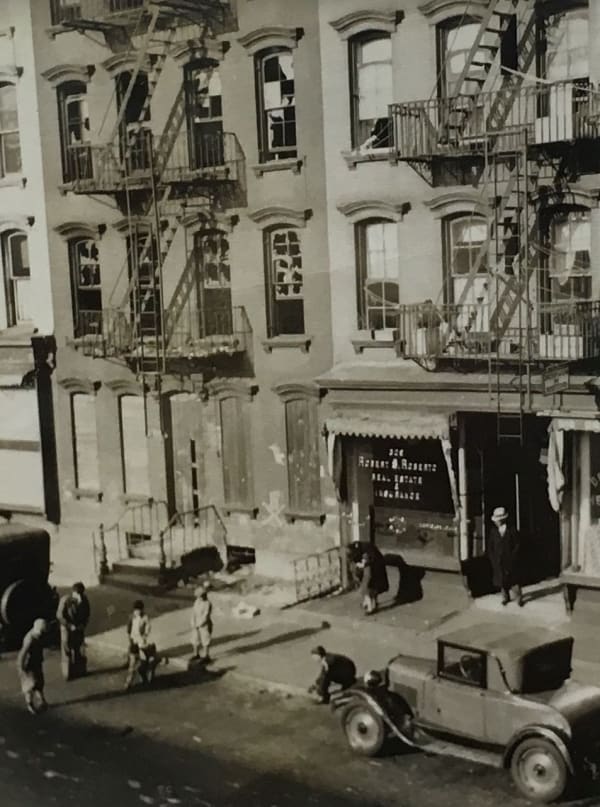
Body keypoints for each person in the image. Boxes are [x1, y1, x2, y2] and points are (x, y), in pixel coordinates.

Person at [488, 506, 524, 607]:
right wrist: (493, 558)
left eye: (498, 520)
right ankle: (505, 597)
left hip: (510, 559)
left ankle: (519, 598)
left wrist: (513, 556)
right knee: (502, 580)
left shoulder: (511, 530)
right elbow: (490, 546)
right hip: (498, 560)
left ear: (503, 520)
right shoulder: (493, 532)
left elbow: (517, 544)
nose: (496, 522)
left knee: (514, 580)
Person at [57, 581, 90, 681]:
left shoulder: (84, 600)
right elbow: (60, 615)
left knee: (78, 648)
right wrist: (69, 625)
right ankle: (67, 673)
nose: (80, 595)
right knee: (67, 648)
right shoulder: (66, 600)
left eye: (81, 593)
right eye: (78, 593)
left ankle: (79, 670)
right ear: (73, 592)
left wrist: (83, 625)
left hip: (78, 628)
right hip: (67, 628)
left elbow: (87, 614)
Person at [124, 600, 159, 689]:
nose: (137, 612)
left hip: (142, 644)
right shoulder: (132, 617)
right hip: (134, 643)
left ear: (142, 610)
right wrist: (130, 642)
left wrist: (144, 637)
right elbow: (128, 631)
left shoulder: (145, 618)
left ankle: (144, 679)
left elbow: (148, 630)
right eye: (136, 610)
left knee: (144, 664)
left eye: (139, 610)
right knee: (132, 665)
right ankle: (128, 682)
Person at [17, 618, 48, 715]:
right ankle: (30, 704)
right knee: (30, 686)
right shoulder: (30, 640)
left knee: (39, 682)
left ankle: (42, 700)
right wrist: (21, 667)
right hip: (28, 666)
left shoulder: (38, 635)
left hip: (36, 663)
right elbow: (22, 654)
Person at [191, 583, 213, 663]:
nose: (199, 597)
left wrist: (199, 624)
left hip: (204, 624)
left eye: (200, 596)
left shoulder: (207, 603)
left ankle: (206, 655)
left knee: (205, 639)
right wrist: (193, 622)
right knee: (195, 639)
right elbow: (193, 612)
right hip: (196, 623)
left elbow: (206, 615)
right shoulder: (197, 602)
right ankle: (196, 654)